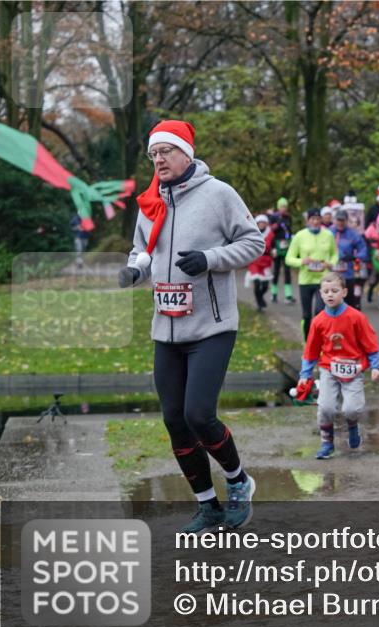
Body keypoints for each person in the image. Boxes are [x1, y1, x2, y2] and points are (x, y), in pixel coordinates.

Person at [118, 119, 264, 533]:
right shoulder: (150, 201)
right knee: (174, 420)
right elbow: (141, 250)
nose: (158, 160)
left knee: (199, 414)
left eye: (165, 151)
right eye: (153, 154)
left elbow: (254, 242)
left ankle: (239, 482)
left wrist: (209, 259)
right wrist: (134, 272)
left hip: (212, 326)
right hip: (166, 328)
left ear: (185, 152)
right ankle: (208, 505)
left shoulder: (219, 194)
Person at [294, 272, 379, 460]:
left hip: (354, 369)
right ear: (320, 294)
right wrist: (305, 374)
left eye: (334, 291)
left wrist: (375, 366)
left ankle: (353, 425)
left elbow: (371, 343)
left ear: (344, 292)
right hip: (328, 369)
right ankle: (327, 443)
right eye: (326, 291)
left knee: (351, 409)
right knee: (326, 408)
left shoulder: (356, 317)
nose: (330, 295)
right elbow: (311, 350)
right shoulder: (318, 321)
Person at [286, 207, 338, 339]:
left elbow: (335, 255)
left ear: (321, 220)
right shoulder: (300, 236)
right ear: (308, 220)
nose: (315, 222)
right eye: (312, 219)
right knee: (307, 315)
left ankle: (320, 342)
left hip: (323, 280)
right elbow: (289, 259)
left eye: (317, 219)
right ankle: (307, 342)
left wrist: (330, 263)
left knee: (320, 312)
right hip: (305, 280)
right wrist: (303, 261)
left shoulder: (328, 235)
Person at [329, 209, 369, 309]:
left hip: (348, 275)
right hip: (330, 274)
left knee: (349, 304)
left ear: (346, 221)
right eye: (338, 220)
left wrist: (354, 257)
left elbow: (363, 250)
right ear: (334, 220)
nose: (340, 223)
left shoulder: (353, 234)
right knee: (331, 303)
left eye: (343, 220)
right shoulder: (328, 233)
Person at [245, 214, 275, 311]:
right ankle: (259, 303)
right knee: (257, 283)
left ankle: (260, 297)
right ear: (256, 223)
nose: (261, 224)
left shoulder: (270, 234)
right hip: (255, 261)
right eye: (260, 222)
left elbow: (274, 245)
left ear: (266, 223)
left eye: (263, 222)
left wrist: (274, 250)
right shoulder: (252, 233)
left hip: (266, 261)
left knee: (265, 286)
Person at [269, 197, 295, 304]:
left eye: (285, 206)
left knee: (287, 271)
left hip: (286, 246)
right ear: (278, 207)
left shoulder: (288, 217)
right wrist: (272, 248)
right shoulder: (273, 217)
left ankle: (288, 295)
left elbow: (290, 230)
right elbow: (270, 232)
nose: (284, 208)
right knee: (276, 271)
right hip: (276, 246)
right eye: (282, 206)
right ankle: (274, 294)